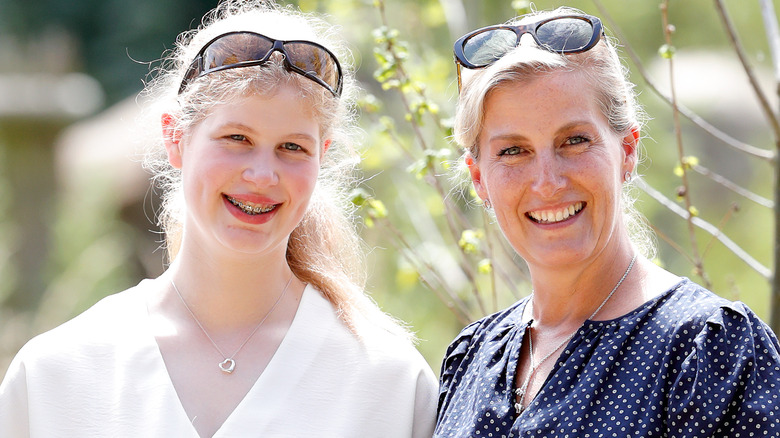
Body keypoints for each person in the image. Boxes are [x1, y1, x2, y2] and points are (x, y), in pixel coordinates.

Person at [0, 1, 438, 436]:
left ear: (320, 159)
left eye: (292, 148)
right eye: (237, 138)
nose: (263, 175)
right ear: (175, 138)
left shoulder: (388, 383)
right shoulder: (57, 374)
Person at [435, 7, 780, 437]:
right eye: (513, 151)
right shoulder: (470, 358)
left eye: (575, 141)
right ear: (479, 177)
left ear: (628, 151)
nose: (547, 182)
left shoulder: (708, 350)